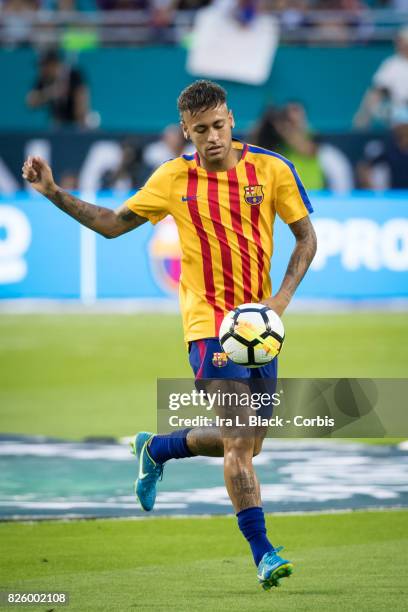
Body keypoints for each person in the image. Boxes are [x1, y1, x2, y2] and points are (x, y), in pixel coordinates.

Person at [22, 79, 317, 591]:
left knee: (247, 442)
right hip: (207, 327)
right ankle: (263, 552)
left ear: (231, 119)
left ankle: (158, 448)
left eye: (219, 126)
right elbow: (113, 223)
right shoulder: (173, 180)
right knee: (240, 440)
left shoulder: (272, 169)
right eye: (200, 130)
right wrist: (52, 193)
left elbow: (306, 239)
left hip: (260, 328)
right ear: (186, 131)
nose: (213, 138)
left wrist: (280, 303)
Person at [353, 26, 408, 129]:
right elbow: (377, 92)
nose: (401, 45)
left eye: (404, 42)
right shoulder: (392, 64)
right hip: (401, 113)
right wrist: (362, 119)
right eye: (400, 41)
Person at [26, 49, 90, 128]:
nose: (41, 70)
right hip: (56, 126)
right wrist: (50, 92)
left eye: (43, 66)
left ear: (53, 64)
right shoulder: (44, 79)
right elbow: (30, 102)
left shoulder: (74, 75)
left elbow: (82, 102)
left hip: (77, 125)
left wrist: (80, 124)